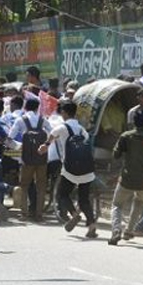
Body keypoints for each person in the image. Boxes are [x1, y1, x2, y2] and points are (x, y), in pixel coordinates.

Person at [39, 100, 98, 238]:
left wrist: (45, 146)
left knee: (62, 194)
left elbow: (51, 136)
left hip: (69, 168)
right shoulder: (82, 130)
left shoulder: (61, 127)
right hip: (86, 168)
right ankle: (92, 226)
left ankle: (74, 214)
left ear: (64, 113)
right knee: (84, 199)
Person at [108, 109, 143, 245]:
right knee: (139, 202)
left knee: (117, 204)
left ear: (133, 122)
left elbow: (116, 155)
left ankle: (116, 230)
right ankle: (129, 230)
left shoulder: (126, 136)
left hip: (127, 178)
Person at [10, 98, 51, 221]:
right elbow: (53, 133)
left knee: (24, 185)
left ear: (25, 107)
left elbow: (10, 137)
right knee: (41, 186)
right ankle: (39, 214)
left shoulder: (20, 120)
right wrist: (46, 145)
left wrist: (19, 146)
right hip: (42, 158)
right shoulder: (43, 120)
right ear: (37, 108)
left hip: (26, 159)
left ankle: (24, 213)